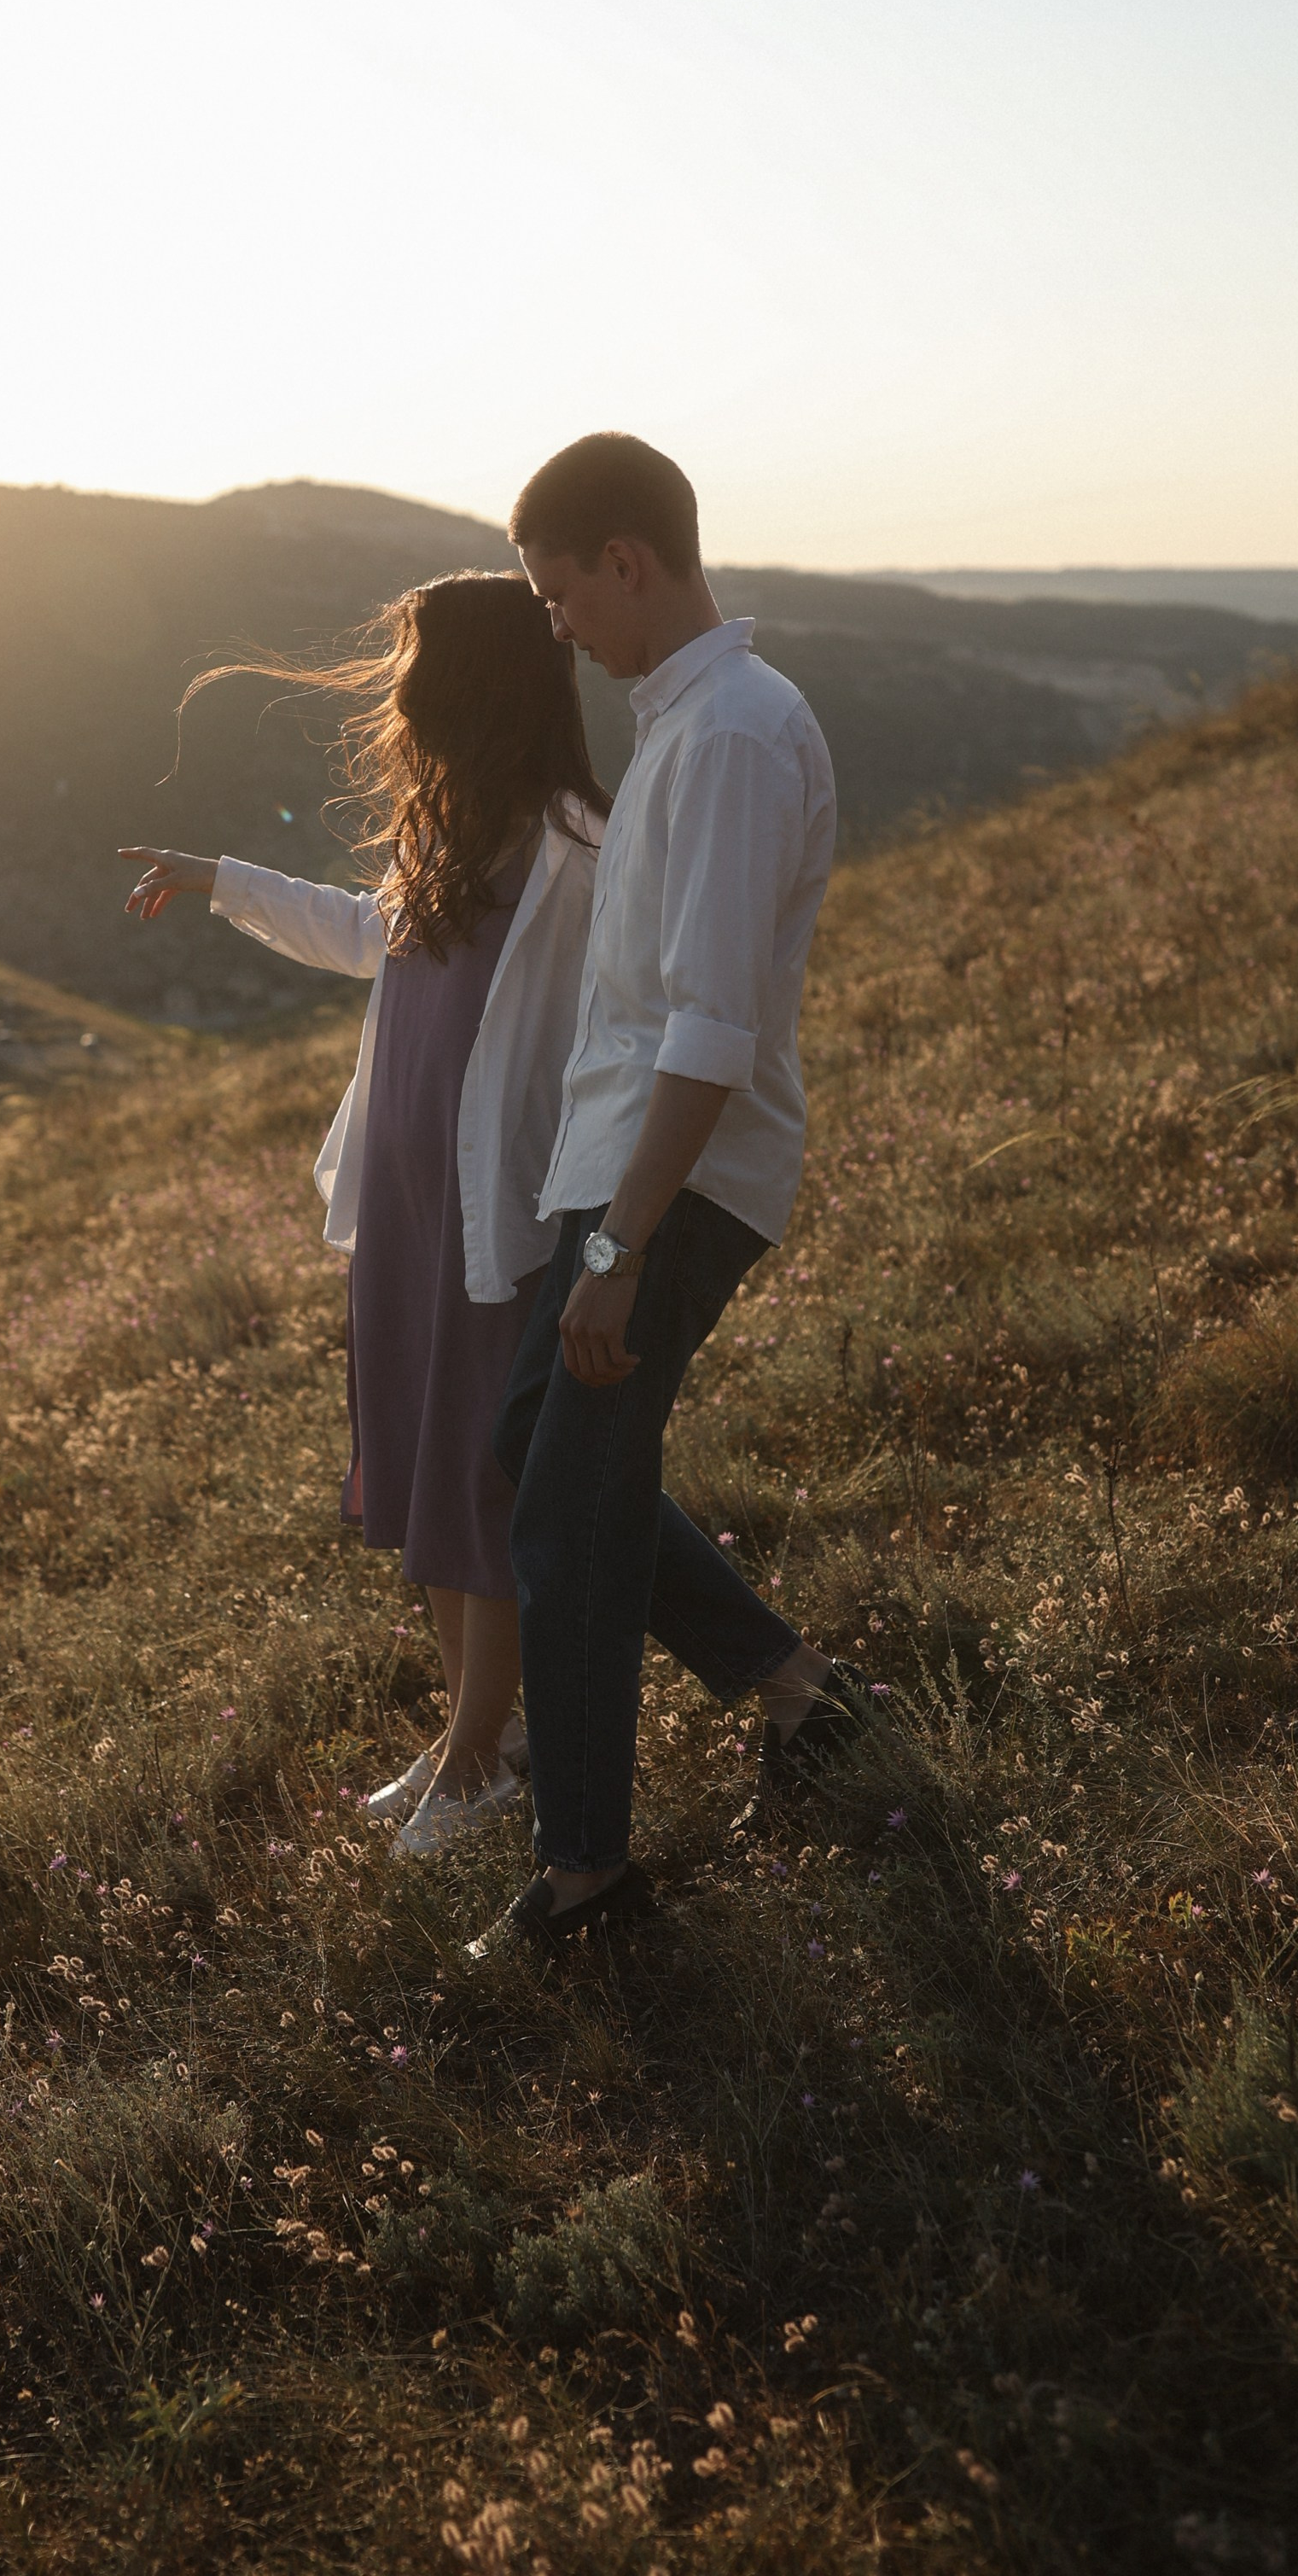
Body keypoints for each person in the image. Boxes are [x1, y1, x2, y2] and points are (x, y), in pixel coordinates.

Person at [119, 572, 608, 1856]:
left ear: (465, 684)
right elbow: (366, 938)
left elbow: (604, 1037)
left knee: (477, 1481)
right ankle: (476, 1739)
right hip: (400, 1206)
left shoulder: (574, 844)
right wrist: (221, 875)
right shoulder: (444, 827)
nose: (393, 689)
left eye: (410, 663)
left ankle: (479, 1765)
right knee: (418, 1468)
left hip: (492, 1213)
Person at [470, 433, 873, 1961]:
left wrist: (623, 1244)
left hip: (677, 1180)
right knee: (539, 1444)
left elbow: (708, 1028)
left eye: (562, 593)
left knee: (567, 1516)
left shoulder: (730, 739)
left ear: (627, 562)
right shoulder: (685, 725)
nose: (555, 625)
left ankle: (586, 1878)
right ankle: (798, 1695)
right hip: (628, 1169)